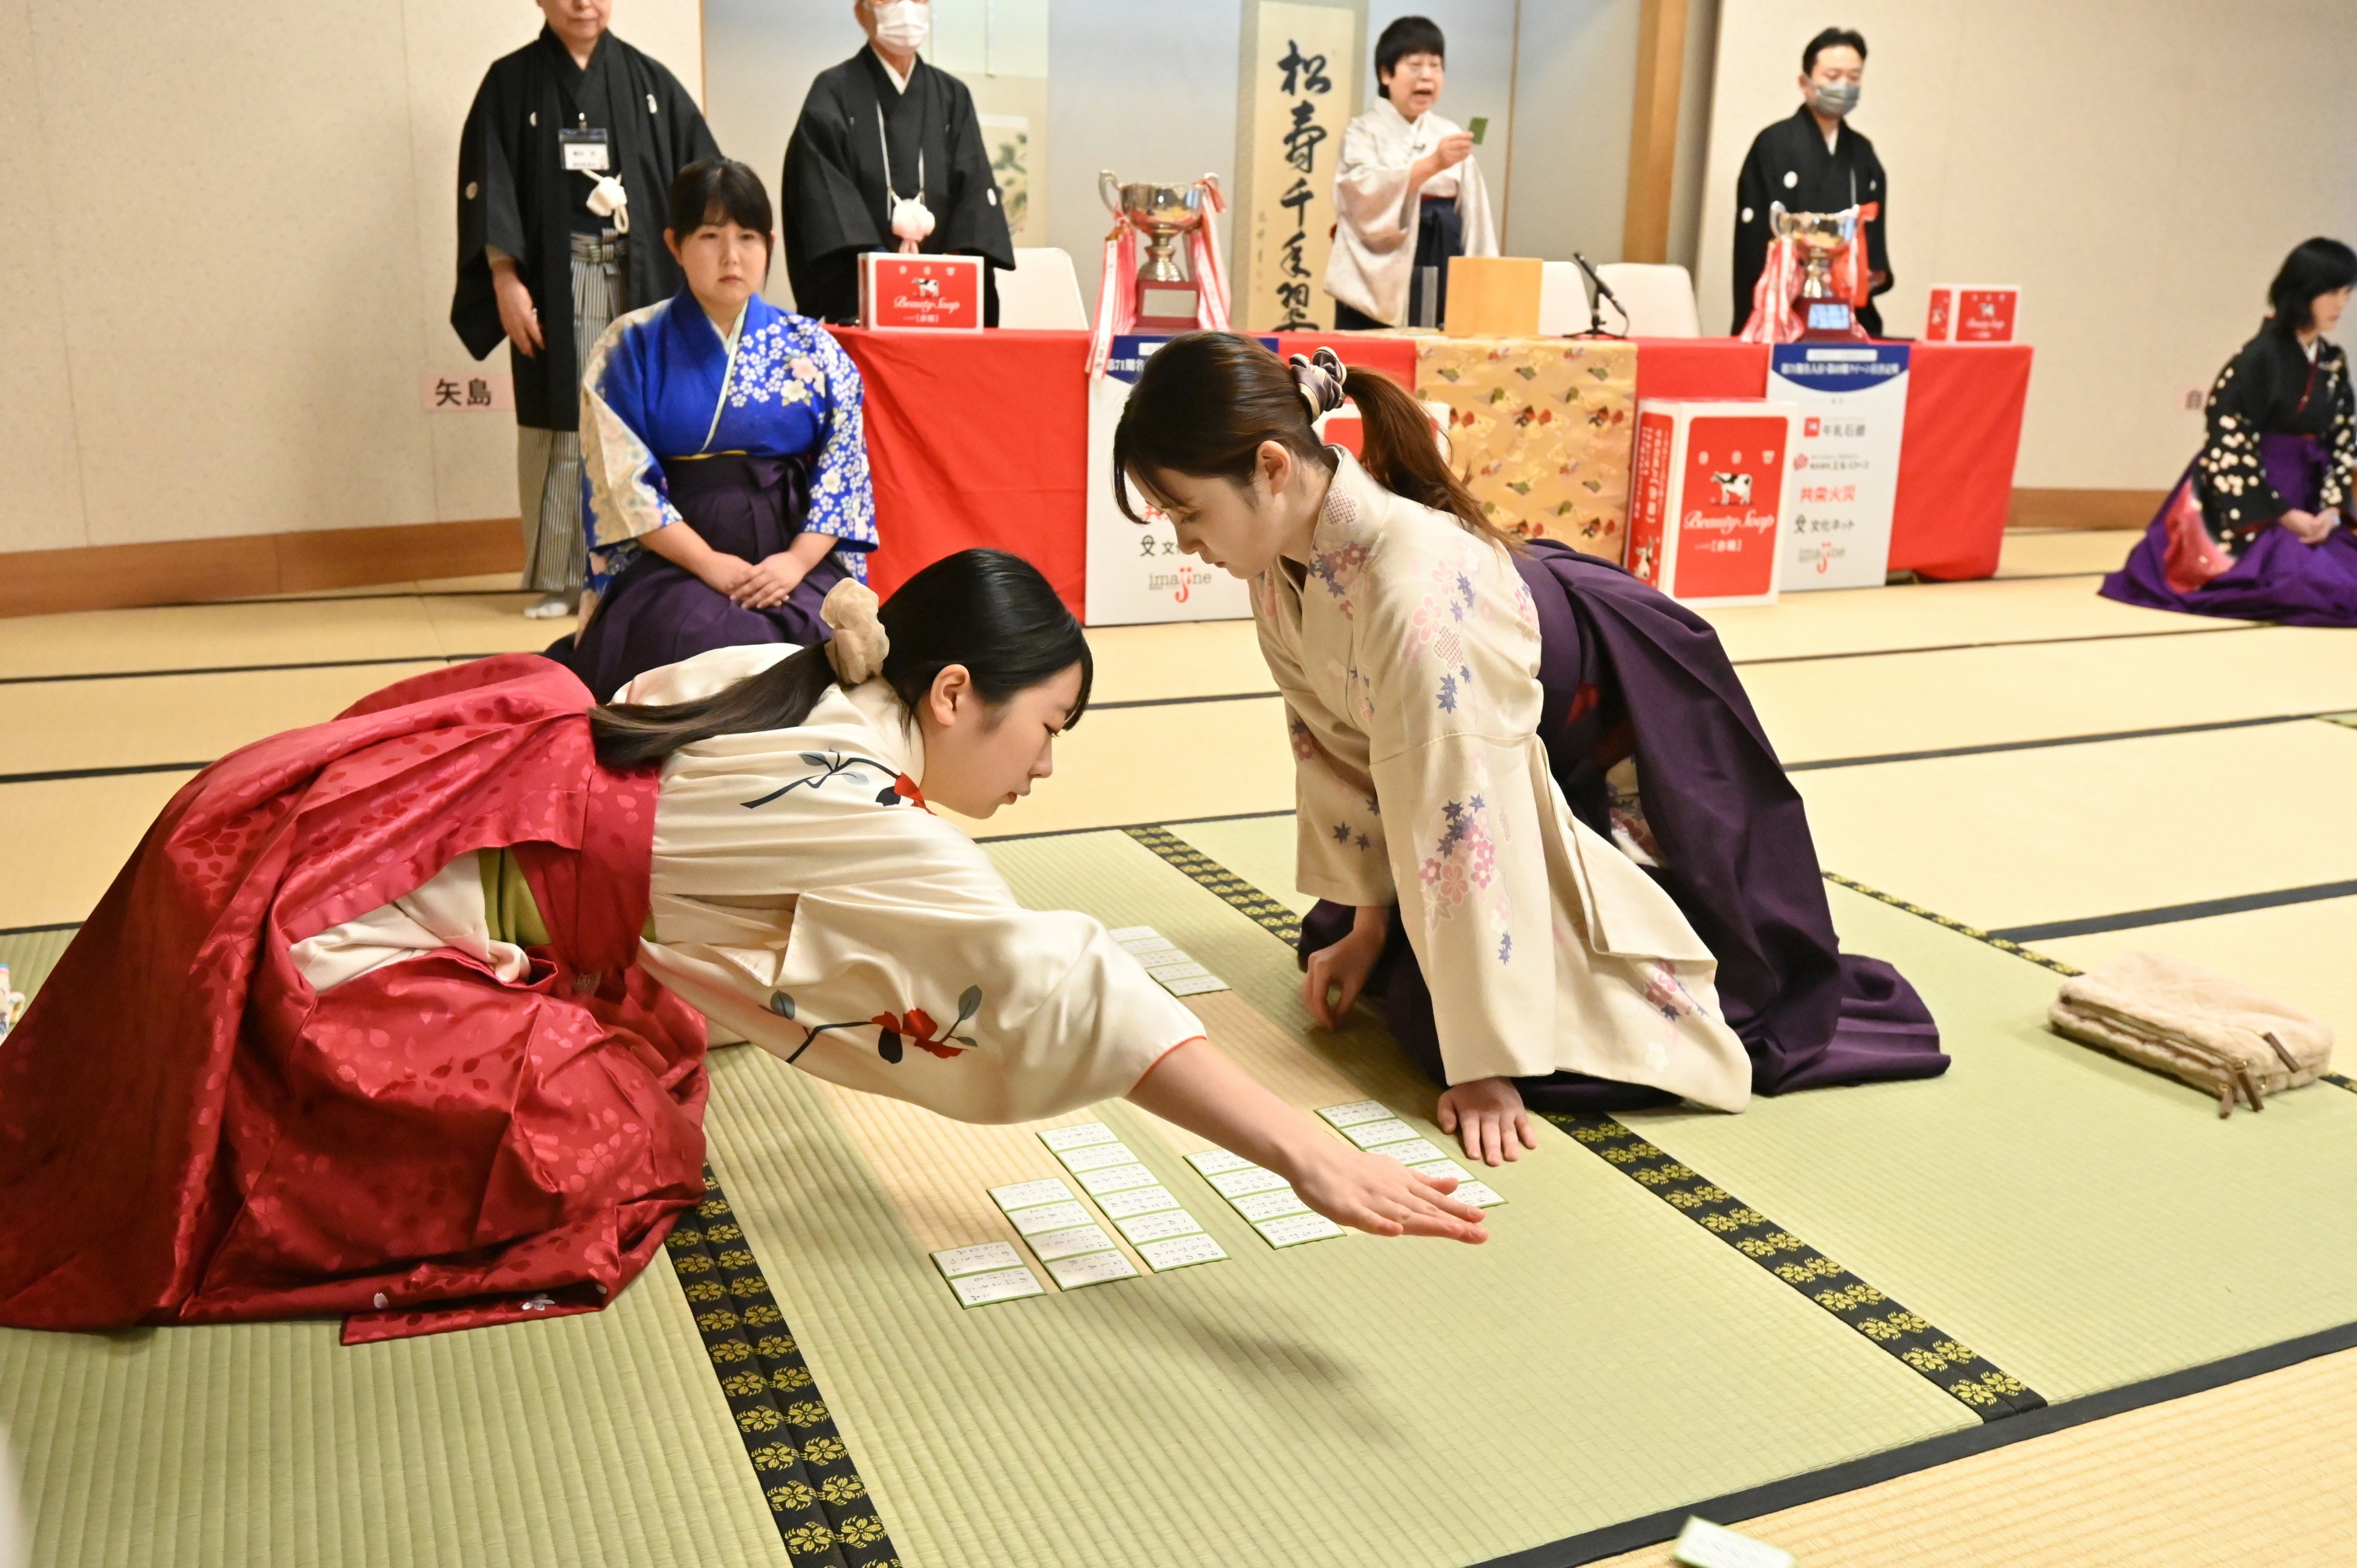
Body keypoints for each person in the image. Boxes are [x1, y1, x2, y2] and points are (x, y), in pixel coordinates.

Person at [0, 552, 1482, 1341]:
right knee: (604, 1142)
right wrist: (1301, 1147)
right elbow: (1058, 977)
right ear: (953, 694)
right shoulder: (848, 800)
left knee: (658, 1037)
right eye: (1046, 729)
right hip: (343, 948)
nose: (1049, 767)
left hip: (368, 836)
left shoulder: (792, 675)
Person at [1113, 337, 1945, 1166]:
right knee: (1366, 959)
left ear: (1270, 468)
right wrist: (1368, 923)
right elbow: (1334, 750)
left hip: (1610, 734)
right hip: (1482, 747)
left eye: (1189, 513)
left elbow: (1463, 815)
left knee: (1449, 1034)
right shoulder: (1275, 564)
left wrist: (1484, 1063)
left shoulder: (1411, 594)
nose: (1185, 543)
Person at [551, 161, 878, 701]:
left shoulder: (815, 347)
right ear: (674, 245)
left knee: (829, 643)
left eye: (748, 237)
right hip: (674, 557)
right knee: (682, 643)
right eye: (710, 236)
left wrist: (795, 562)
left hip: (789, 553)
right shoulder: (629, 345)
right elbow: (622, 483)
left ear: (769, 245)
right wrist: (709, 564)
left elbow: (843, 474)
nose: (732, 256)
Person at [453, 0, 721, 620]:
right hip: (556, 278)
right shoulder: (510, 82)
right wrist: (504, 277)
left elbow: (705, 177)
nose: (583, 3)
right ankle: (565, 575)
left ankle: (654, 565)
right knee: (564, 422)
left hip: (641, 276)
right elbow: (489, 188)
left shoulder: (650, 81)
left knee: (646, 419)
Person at [2101, 239, 2357, 625]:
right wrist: (2283, 513)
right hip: (2250, 500)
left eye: (2347, 293)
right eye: (2332, 292)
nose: (2341, 304)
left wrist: (2332, 510)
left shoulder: (2332, 361)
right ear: (2303, 291)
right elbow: (2228, 440)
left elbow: (2342, 439)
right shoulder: (2258, 357)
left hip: (2310, 498)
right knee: (2307, 584)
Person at [780, 0, 1015, 326]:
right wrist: (884, 272)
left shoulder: (952, 96)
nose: (906, 7)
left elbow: (974, 195)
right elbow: (823, 197)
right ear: (861, 12)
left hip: (946, 301)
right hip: (859, 299)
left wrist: (950, 267)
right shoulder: (832, 92)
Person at [1326, 15, 1498, 332]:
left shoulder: (1448, 133)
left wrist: (1484, 281)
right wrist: (1432, 164)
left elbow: (1475, 216)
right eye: (1415, 65)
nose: (1427, 76)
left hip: (1443, 256)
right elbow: (1359, 198)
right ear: (1386, 74)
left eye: (1436, 66)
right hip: (1376, 276)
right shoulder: (1362, 132)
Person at [1730, 27, 1889, 337]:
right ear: (1805, 83)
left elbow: (1873, 233)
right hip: (1787, 298)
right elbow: (1757, 234)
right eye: (1833, 76)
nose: (1844, 86)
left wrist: (1866, 273)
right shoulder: (1774, 143)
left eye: (1854, 77)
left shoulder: (1862, 152)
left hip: (1844, 301)